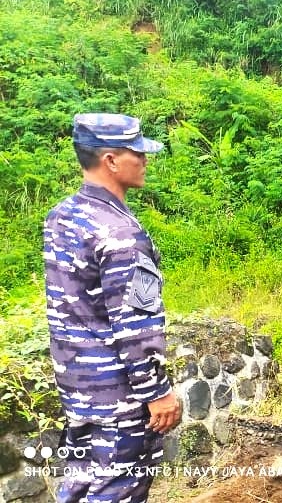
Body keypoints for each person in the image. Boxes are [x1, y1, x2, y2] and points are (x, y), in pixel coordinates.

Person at [44, 113, 182, 503]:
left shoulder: (64, 215)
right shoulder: (120, 233)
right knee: (117, 492)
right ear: (110, 160)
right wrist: (157, 392)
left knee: (80, 486)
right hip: (119, 397)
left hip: (78, 387)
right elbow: (135, 325)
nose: (145, 160)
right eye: (136, 152)